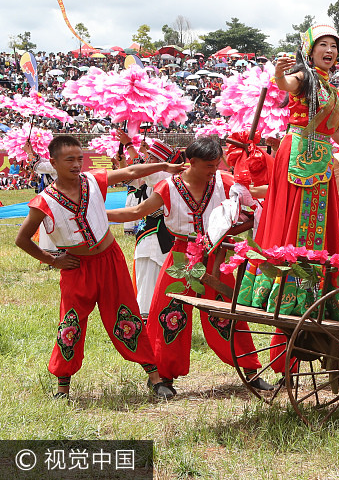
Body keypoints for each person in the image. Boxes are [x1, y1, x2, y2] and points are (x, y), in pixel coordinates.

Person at [15, 135, 182, 400]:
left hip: (110, 259)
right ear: (53, 162)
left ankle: (154, 377)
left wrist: (164, 167)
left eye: (79, 158)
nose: (76, 164)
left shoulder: (92, 181)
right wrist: (53, 260)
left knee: (126, 314)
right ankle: (63, 387)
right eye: (69, 159)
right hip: (76, 266)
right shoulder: (44, 201)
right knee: (71, 323)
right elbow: (21, 239)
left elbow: (129, 171)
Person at [107, 138, 270, 394]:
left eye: (216, 165)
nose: (213, 171)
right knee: (169, 316)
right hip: (181, 259)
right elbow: (136, 212)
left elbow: (253, 201)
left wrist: (227, 231)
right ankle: (163, 378)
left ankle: (250, 370)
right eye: (208, 165)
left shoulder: (224, 183)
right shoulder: (168, 187)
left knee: (228, 313)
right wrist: (98, 214)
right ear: (191, 162)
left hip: (217, 257)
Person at [255, 24, 339, 255]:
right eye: (323, 45)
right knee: (297, 213)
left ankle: (316, 269)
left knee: (319, 212)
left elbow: (333, 129)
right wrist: (278, 73)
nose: (329, 50)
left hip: (322, 154)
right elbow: (285, 84)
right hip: (299, 151)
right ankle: (291, 271)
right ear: (310, 50)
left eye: (334, 46)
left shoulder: (332, 90)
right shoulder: (302, 77)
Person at [129, 139, 179, 318]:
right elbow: (129, 176)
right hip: (148, 236)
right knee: (147, 279)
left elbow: (144, 173)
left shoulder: (165, 178)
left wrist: (130, 147)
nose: (147, 161)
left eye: (151, 158)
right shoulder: (153, 178)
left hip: (156, 238)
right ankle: (150, 318)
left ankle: (148, 320)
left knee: (151, 280)